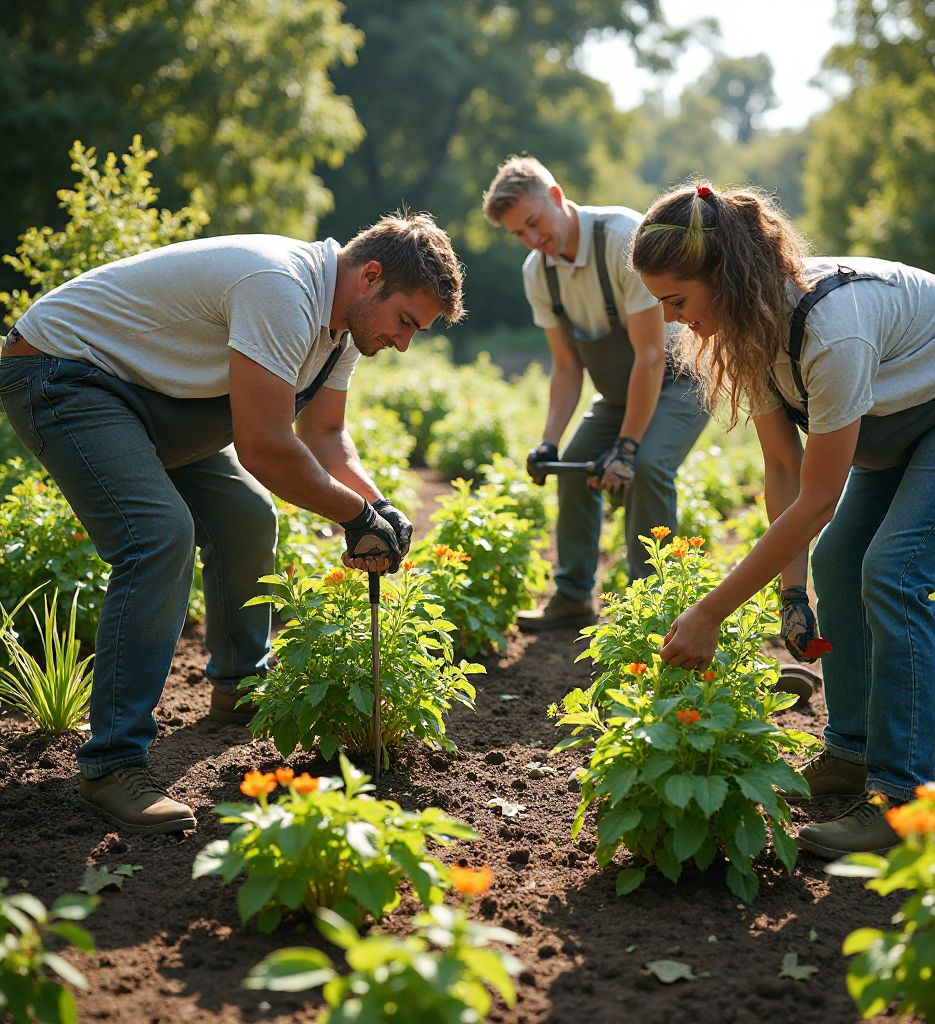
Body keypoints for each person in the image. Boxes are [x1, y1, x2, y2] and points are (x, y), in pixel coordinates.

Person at [0, 213, 465, 833]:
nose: (404, 342)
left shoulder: (341, 331)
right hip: (63, 374)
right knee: (157, 536)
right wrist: (353, 518)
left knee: (247, 515)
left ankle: (240, 689)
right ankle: (112, 764)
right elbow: (265, 446)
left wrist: (375, 507)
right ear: (370, 276)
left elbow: (324, 434)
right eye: (406, 321)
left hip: (153, 399)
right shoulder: (281, 287)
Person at [631, 181, 935, 859]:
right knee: (841, 563)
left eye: (677, 301)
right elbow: (784, 473)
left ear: (721, 278)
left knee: (895, 572)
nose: (669, 320)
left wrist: (709, 612)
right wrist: (792, 592)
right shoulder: (748, 329)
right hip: (905, 407)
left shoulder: (830, 331)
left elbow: (818, 498)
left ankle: (904, 802)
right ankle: (850, 751)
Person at [481, 156, 708, 630]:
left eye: (535, 223)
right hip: (620, 393)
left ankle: (656, 608)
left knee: (645, 468)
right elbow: (566, 366)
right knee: (574, 462)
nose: (532, 240)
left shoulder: (623, 238)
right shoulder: (537, 272)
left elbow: (649, 357)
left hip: (678, 381)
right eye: (519, 234)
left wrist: (626, 448)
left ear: (558, 198)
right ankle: (572, 597)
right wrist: (548, 442)